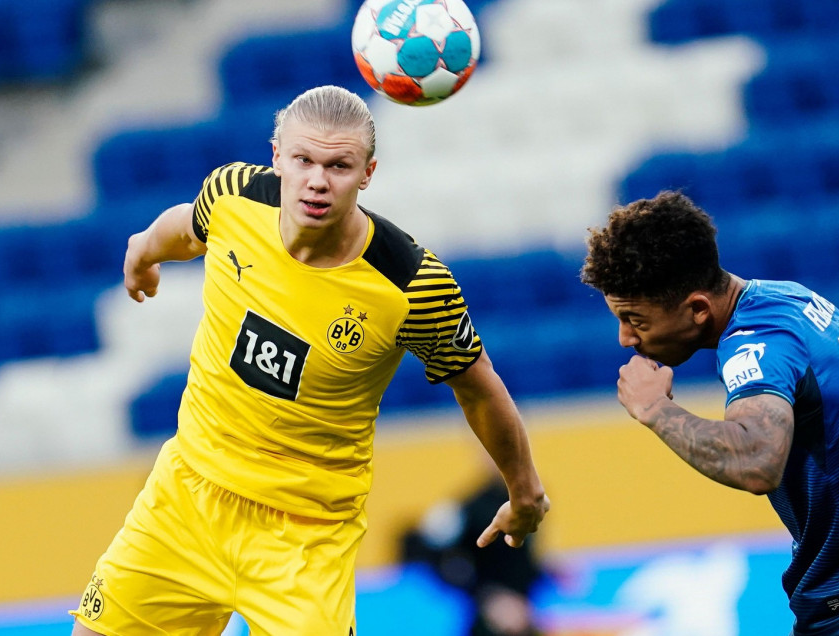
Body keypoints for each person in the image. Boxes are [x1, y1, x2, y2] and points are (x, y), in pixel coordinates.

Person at [71, 85, 549, 635]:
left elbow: (478, 387)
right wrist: (143, 252)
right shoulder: (233, 195)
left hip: (304, 536)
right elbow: (187, 226)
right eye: (303, 160)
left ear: (368, 173)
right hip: (186, 497)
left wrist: (523, 488)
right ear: (277, 156)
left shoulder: (412, 283)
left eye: (339, 165)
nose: (317, 181)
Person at [580, 191, 839, 635]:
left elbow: (756, 461)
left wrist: (654, 408)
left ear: (697, 310)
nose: (625, 338)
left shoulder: (757, 341)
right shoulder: (786, 297)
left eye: (637, 320)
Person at [400, 469, 548, 636]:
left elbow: (523, 563)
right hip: (487, 611)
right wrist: (490, 598)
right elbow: (420, 549)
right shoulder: (467, 510)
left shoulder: (533, 501)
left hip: (518, 608)